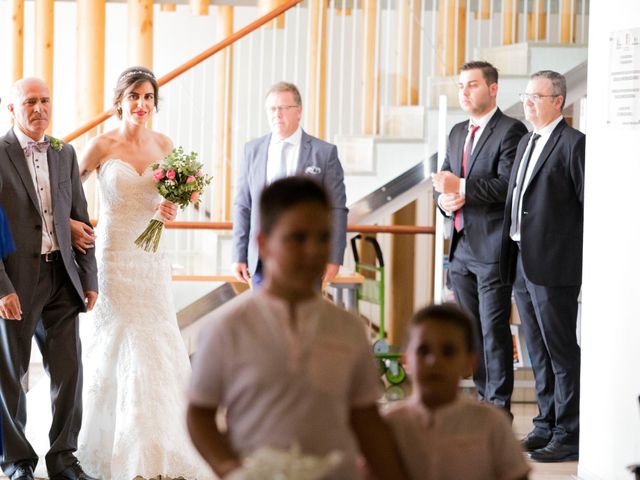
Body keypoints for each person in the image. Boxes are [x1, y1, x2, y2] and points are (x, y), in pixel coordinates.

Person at [188, 177, 409, 480]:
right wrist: (230, 469)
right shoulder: (227, 328)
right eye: (298, 238)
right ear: (264, 243)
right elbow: (199, 413)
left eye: (322, 238)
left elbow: (366, 418)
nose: (313, 251)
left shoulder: (348, 328)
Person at [65, 66, 214, 479]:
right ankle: (101, 444)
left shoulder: (165, 145)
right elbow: (63, 193)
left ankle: (157, 444)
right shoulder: (100, 146)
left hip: (151, 259)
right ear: (120, 101)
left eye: (148, 97)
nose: (142, 104)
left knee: (155, 340)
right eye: (134, 96)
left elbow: (175, 197)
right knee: (112, 340)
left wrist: (171, 208)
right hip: (112, 257)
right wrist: (75, 225)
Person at [0, 78, 98, 480]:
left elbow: (79, 213)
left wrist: (89, 276)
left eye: (45, 100)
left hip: (61, 274)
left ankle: (63, 459)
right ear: (12, 109)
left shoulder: (65, 151)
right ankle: (17, 462)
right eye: (29, 102)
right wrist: (1, 287)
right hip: (16, 278)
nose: (39, 108)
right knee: (11, 374)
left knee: (69, 369)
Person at [431, 61, 527, 413]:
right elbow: (443, 180)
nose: (464, 92)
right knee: (471, 333)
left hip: (490, 249)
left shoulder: (510, 131)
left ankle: (498, 408)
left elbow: (507, 186)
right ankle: (484, 400)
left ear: (493, 88)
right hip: (459, 250)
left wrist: (463, 188)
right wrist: (443, 199)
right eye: (460, 86)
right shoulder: (458, 132)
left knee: (493, 331)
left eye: (472, 85)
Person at [499, 70, 584, 462]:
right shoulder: (528, 141)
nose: (528, 101)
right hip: (522, 261)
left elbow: (586, 208)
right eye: (526, 95)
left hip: (555, 266)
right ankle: (545, 424)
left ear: (558, 101)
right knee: (537, 350)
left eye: (536, 96)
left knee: (561, 351)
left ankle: (569, 433)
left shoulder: (573, 144)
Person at [383, 303, 531, 480]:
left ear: (470, 362)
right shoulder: (388, 425)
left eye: (448, 351)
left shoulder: (492, 424)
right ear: (405, 360)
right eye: (423, 350)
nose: (434, 361)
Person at [231, 81, 348, 286]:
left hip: (306, 256)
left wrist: (334, 256)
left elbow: (337, 208)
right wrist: (238, 254)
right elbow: (243, 205)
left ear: (299, 111)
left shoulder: (324, 153)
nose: (277, 114)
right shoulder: (252, 150)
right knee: (265, 317)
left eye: (284, 108)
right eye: (272, 108)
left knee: (303, 317)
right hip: (262, 258)